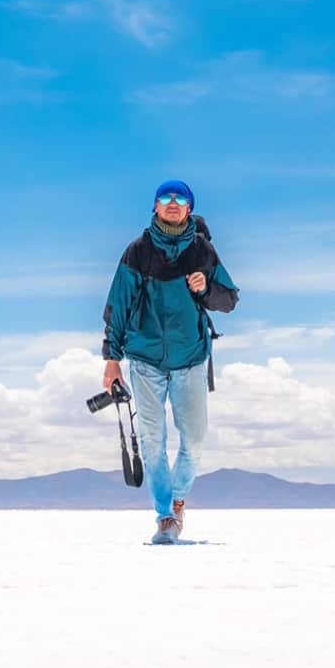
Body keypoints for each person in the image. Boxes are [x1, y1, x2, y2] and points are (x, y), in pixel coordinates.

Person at [101, 180, 239, 543]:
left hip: (190, 358)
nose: (173, 203)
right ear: (156, 206)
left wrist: (204, 289)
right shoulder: (137, 252)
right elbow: (117, 308)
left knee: (193, 439)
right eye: (166, 198)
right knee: (152, 441)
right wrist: (111, 360)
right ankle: (165, 516)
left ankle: (178, 499)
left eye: (181, 199)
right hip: (144, 359)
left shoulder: (202, 252)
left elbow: (229, 300)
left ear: (189, 208)